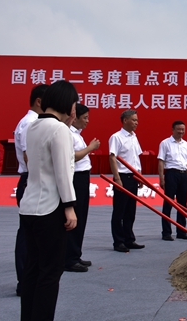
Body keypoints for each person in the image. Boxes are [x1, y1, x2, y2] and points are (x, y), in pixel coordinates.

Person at [19, 80, 78, 321]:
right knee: (50, 273)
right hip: (51, 208)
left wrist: (67, 126)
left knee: (32, 270)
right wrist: (70, 206)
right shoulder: (59, 130)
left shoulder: (33, 126)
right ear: (67, 103)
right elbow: (63, 171)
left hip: (29, 205)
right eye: (74, 103)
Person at [13, 84, 48, 296]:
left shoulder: (35, 122)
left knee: (34, 234)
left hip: (34, 180)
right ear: (39, 101)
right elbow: (29, 156)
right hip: (31, 180)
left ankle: (29, 279)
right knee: (27, 234)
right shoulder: (30, 123)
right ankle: (24, 281)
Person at [65, 103, 100, 272]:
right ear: (75, 118)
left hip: (82, 177)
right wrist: (90, 148)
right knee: (75, 217)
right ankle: (69, 258)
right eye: (85, 118)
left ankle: (75, 254)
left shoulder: (77, 134)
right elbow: (72, 157)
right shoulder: (69, 134)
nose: (87, 121)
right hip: (75, 178)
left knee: (82, 216)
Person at [109, 109, 144, 253]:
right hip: (122, 177)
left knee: (130, 211)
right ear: (125, 120)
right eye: (134, 120)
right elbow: (112, 157)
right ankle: (118, 241)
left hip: (133, 177)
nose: (136, 123)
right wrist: (117, 178)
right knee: (120, 211)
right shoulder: (116, 137)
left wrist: (139, 175)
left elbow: (136, 157)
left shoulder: (134, 137)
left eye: (137, 120)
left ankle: (129, 239)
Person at [158, 120, 187, 241]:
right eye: (178, 129)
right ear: (173, 130)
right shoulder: (165, 143)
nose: (181, 132)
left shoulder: (185, 144)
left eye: (183, 130)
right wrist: (161, 178)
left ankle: (181, 231)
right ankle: (166, 232)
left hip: (183, 175)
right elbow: (161, 161)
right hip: (171, 174)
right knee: (168, 203)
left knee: (183, 204)